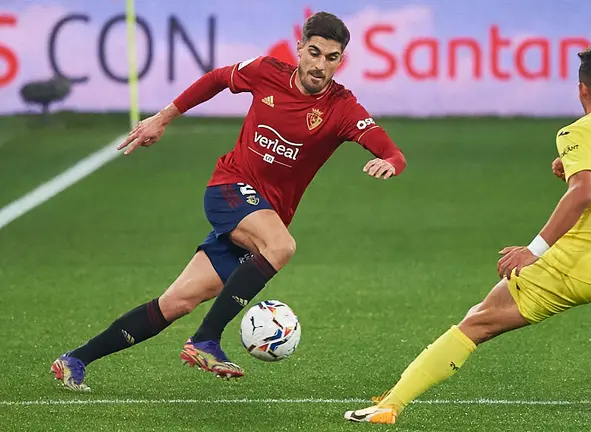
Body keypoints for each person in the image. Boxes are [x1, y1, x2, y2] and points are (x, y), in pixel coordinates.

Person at [51, 11, 406, 391]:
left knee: (176, 302)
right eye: (314, 53)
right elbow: (218, 78)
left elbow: (393, 153)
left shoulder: (341, 108)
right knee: (281, 245)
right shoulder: (265, 72)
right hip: (229, 189)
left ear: (341, 60)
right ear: (300, 48)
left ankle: (74, 360)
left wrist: (388, 162)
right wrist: (164, 116)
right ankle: (205, 341)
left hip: (261, 215)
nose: (320, 65)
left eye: (331, 58)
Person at [344, 45, 591, 424]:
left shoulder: (577, 131)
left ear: (582, 90)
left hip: (580, 270)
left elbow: (583, 192)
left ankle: (390, 405)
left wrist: (534, 250)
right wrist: (571, 170)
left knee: (479, 320)